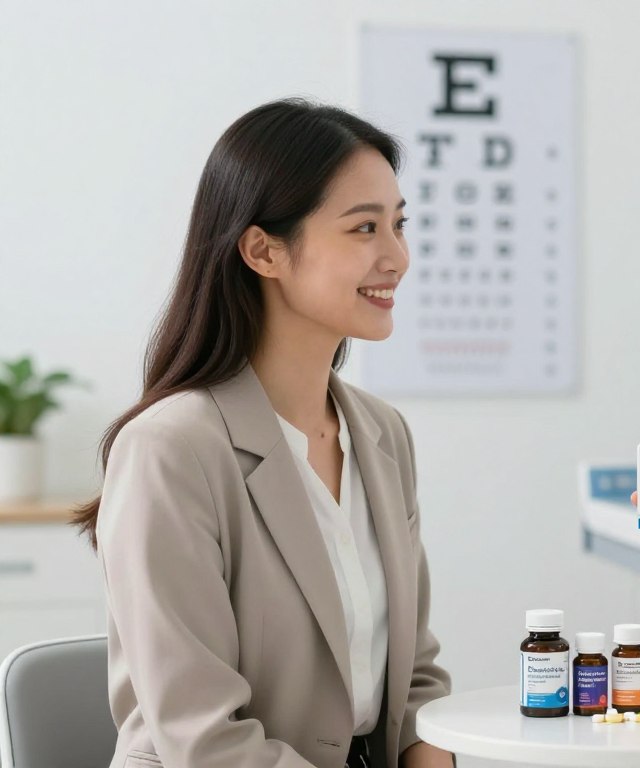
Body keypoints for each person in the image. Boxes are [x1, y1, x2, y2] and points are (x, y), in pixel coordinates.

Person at [73, 100, 454, 768]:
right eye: (364, 228)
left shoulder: (382, 435)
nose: (397, 257)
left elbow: (415, 677)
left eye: (399, 225)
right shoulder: (171, 449)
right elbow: (203, 736)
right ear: (263, 251)